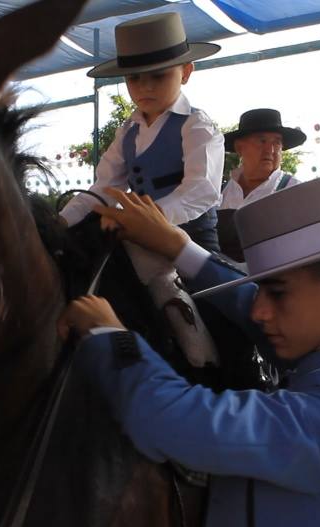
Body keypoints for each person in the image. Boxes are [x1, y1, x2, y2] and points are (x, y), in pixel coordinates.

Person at [58, 170, 320, 527]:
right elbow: (246, 301)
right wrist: (177, 246)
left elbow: (175, 421)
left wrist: (109, 336)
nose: (260, 310)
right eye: (260, 291)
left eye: (276, 294)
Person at [58, 12, 224, 367]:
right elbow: (103, 186)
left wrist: (148, 219)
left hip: (187, 237)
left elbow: (202, 190)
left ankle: (200, 355)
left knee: (156, 272)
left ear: (186, 72)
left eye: (158, 75)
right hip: (136, 232)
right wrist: (59, 223)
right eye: (134, 78)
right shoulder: (128, 130)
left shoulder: (197, 126)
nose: (144, 87)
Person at [218, 108, 306, 262]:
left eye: (277, 142)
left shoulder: (296, 193)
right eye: (262, 141)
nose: (270, 150)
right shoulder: (218, 194)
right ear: (240, 147)